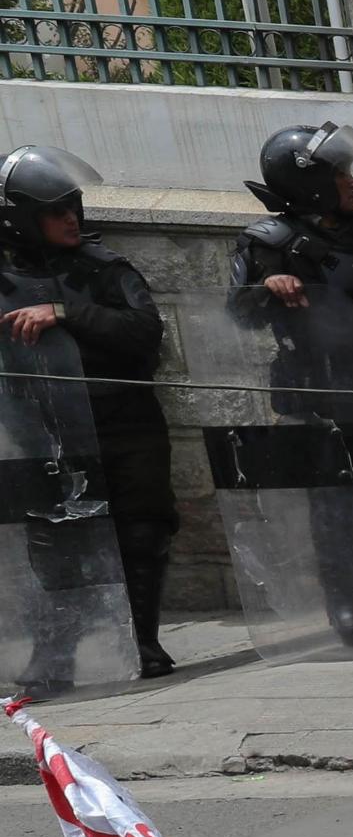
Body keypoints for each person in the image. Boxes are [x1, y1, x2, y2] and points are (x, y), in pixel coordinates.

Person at [226, 122, 353, 650]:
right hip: (322, 394)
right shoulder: (273, 242)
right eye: (342, 175)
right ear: (311, 183)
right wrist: (267, 287)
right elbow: (238, 311)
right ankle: (345, 599)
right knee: (337, 503)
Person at [1, 144, 179, 679]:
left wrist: (66, 312)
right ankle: (57, 650)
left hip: (124, 424)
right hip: (41, 430)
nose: (70, 218)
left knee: (142, 532)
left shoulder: (104, 268)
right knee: (54, 539)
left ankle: (141, 641)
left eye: (73, 206)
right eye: (55, 212)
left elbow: (145, 331)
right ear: (21, 219)